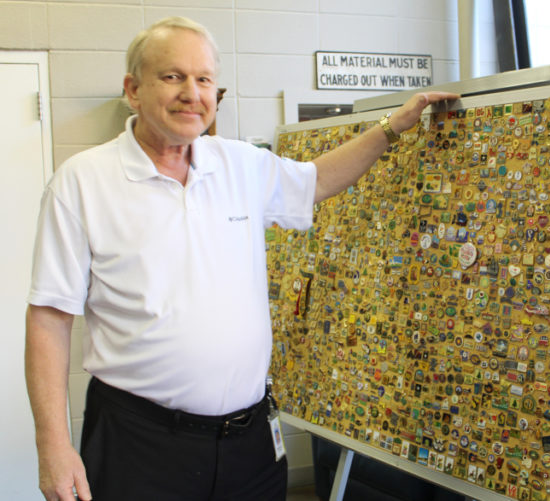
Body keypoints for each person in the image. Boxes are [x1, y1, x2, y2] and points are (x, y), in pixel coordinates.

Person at [25, 16, 458, 501]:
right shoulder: (82, 182)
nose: (193, 93)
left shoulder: (238, 164)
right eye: (172, 76)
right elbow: (49, 317)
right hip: (139, 442)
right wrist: (53, 445)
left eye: (204, 78)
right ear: (133, 89)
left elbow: (316, 181)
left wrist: (391, 128)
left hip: (248, 442)